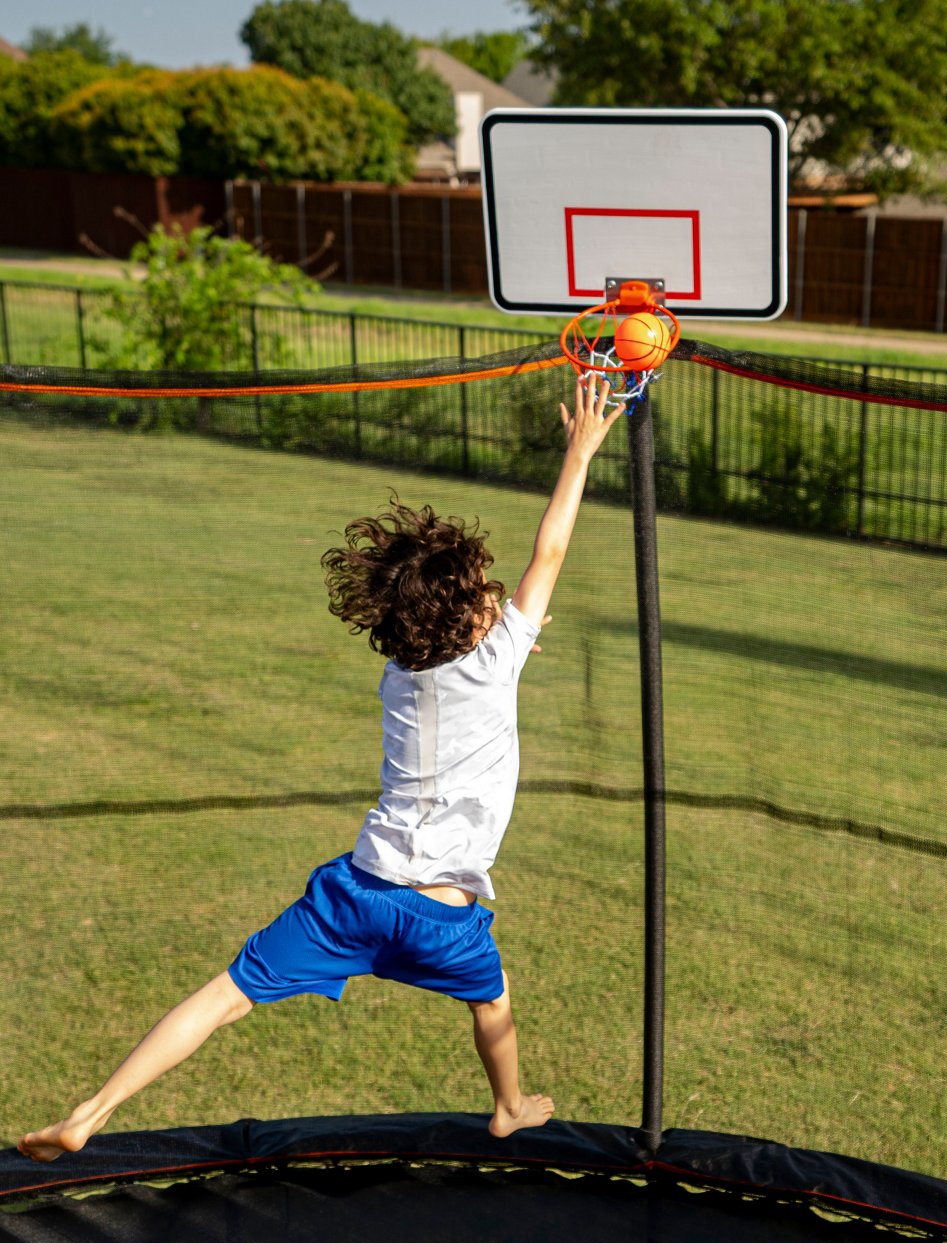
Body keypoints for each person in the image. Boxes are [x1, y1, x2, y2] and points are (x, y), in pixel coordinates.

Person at [18, 373, 622, 1163]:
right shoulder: (498, 652)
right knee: (493, 1006)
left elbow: (462, 645)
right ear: (475, 613)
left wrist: (499, 640)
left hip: (355, 893)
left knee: (227, 995)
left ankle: (91, 1111)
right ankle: (509, 1108)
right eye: (484, 591)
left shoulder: (401, 675)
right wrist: (579, 449)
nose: (494, 596)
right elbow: (552, 547)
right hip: (442, 917)